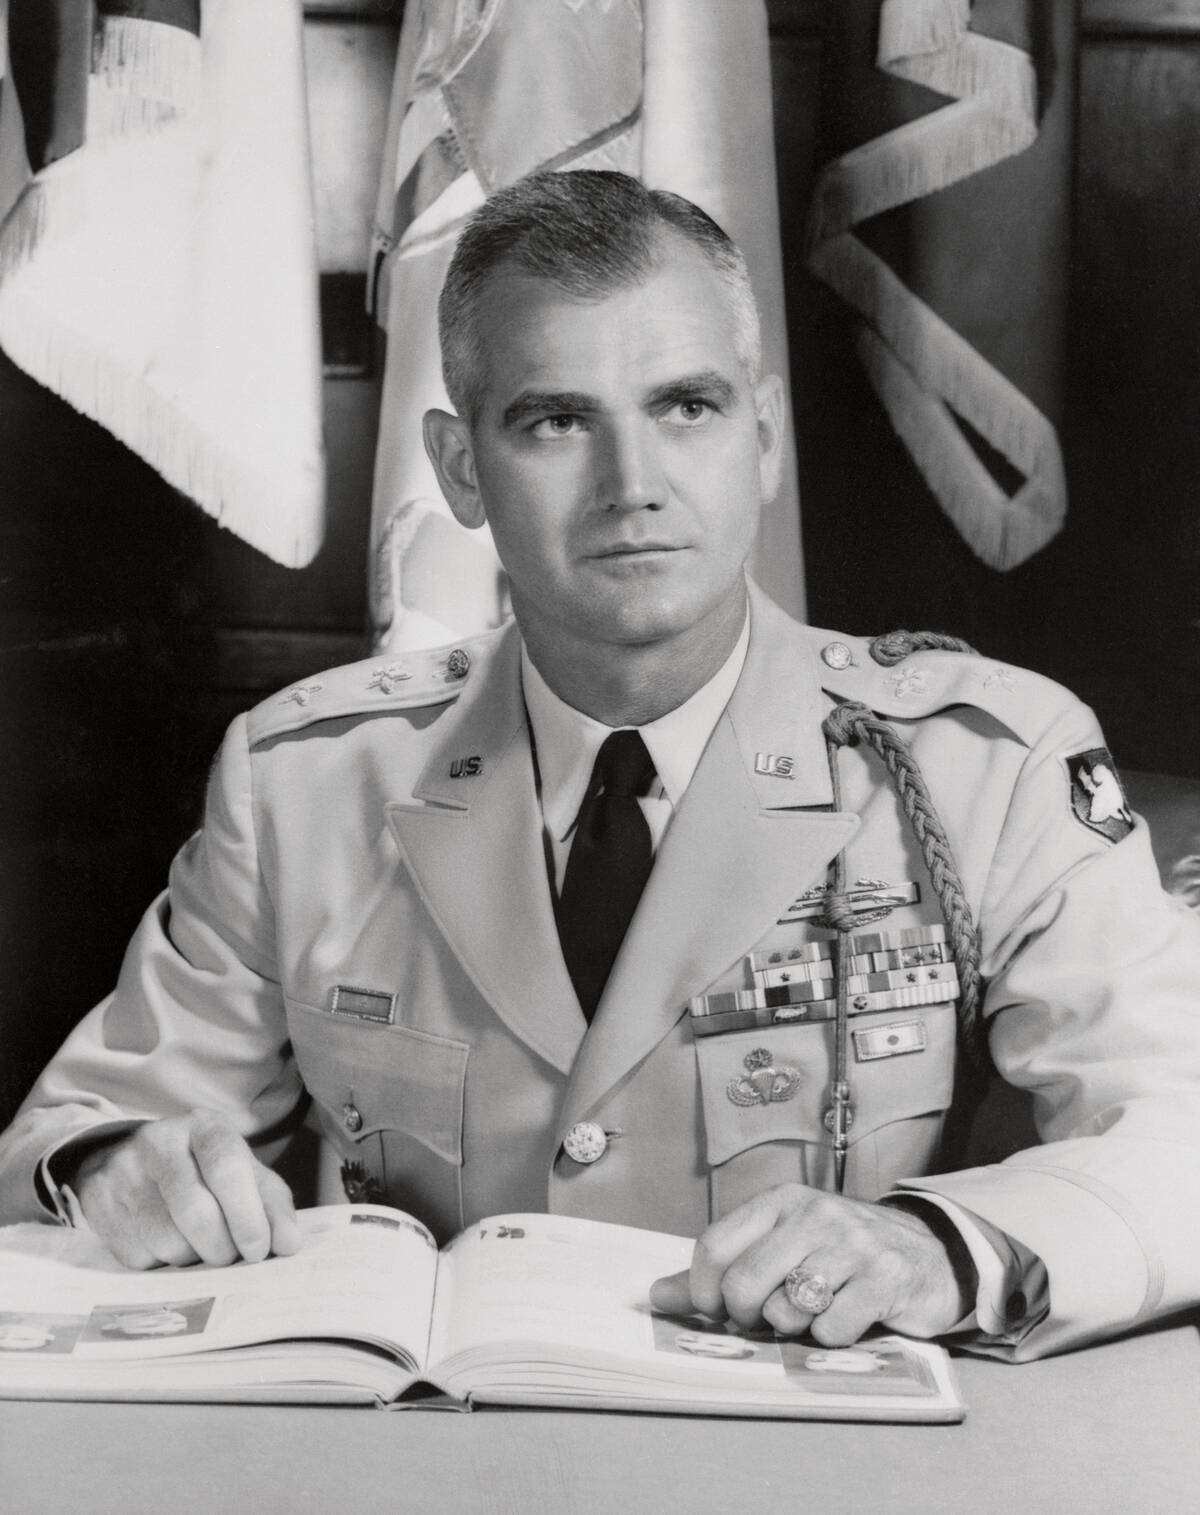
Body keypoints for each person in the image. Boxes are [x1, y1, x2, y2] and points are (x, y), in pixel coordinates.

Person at [1, 171, 1198, 1364]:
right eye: (556, 422)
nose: (634, 486)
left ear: (763, 435)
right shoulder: (307, 783)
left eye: (687, 407)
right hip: (431, 1450)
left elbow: (1177, 1136)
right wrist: (117, 1168)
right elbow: (79, 1132)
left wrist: (936, 1248)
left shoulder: (984, 770)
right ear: (460, 468)